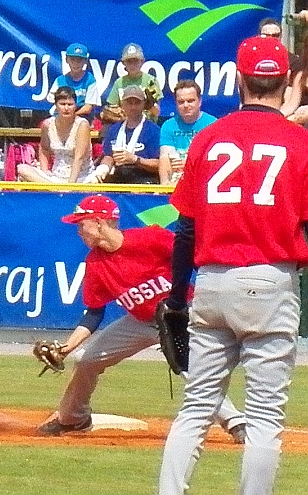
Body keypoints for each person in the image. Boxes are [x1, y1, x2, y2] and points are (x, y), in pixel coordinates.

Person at [158, 36, 308, 495]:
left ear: (239, 80)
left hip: (213, 281)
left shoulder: (207, 138)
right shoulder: (299, 141)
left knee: (197, 408)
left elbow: (185, 229)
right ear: (284, 85)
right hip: (270, 276)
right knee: (264, 419)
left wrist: (176, 295)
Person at [35, 195, 246, 444]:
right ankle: (73, 418)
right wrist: (68, 347)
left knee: (192, 369)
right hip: (139, 322)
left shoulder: (151, 239)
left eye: (82, 224)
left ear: (100, 222)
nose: (79, 230)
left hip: (178, 316)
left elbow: (193, 254)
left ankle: (235, 422)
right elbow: (94, 312)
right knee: (87, 360)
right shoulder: (95, 262)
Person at [18, 86, 93, 183]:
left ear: (75, 106)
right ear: (56, 105)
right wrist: (45, 172)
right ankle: (54, 188)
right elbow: (44, 149)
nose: (66, 108)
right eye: (62, 104)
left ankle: (59, 190)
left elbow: (79, 157)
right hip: (56, 177)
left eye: (70, 104)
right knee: (22, 169)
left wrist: (70, 186)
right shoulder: (47, 124)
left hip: (81, 177)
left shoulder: (82, 124)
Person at [90, 85, 161, 184]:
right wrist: (103, 169)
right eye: (129, 103)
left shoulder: (153, 130)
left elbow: (159, 164)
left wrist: (135, 160)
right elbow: (108, 156)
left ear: (144, 104)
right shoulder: (114, 129)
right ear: (122, 104)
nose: (133, 107)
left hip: (144, 179)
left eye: (137, 103)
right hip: (119, 177)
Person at [158, 80, 216, 185]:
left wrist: (190, 165)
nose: (186, 105)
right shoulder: (168, 126)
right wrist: (165, 185)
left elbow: (215, 160)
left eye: (190, 101)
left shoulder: (213, 124)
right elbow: (165, 157)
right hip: (176, 179)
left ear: (200, 101)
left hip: (203, 180)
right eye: (181, 102)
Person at [101, 43, 163, 125]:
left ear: (142, 61)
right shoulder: (119, 82)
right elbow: (112, 108)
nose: (132, 65)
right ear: (123, 63)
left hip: (147, 124)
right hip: (124, 124)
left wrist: (150, 105)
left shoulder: (151, 81)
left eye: (136, 61)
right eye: (129, 61)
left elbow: (157, 112)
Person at [46, 43, 101, 121]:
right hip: (61, 115)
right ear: (66, 60)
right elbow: (53, 101)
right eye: (72, 59)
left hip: (82, 116)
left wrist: (72, 115)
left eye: (79, 60)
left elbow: (88, 108)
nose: (76, 63)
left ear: (85, 61)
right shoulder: (60, 80)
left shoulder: (90, 79)